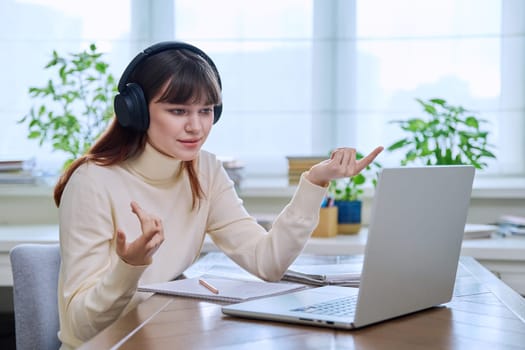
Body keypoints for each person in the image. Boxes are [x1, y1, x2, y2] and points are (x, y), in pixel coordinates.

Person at [54, 41, 383, 348]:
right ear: (135, 110)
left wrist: (314, 182)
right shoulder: (91, 182)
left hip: (161, 335)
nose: (196, 127)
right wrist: (129, 266)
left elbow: (267, 262)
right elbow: (80, 328)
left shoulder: (204, 170)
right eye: (178, 111)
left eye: (206, 111)